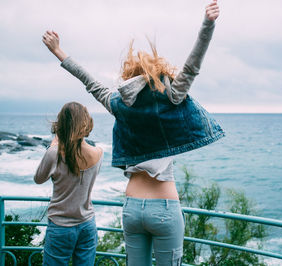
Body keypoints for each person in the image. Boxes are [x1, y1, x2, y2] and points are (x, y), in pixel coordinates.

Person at [42, 1, 222, 265]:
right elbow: (192, 66)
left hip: (132, 207)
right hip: (164, 207)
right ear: (159, 72)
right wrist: (208, 23)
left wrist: (59, 51)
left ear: (129, 76)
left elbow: (89, 82)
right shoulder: (172, 97)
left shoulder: (119, 104)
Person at [34, 102, 103, 265]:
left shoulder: (54, 154)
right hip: (87, 224)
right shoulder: (98, 153)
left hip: (60, 226)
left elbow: (38, 178)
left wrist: (53, 145)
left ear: (61, 125)